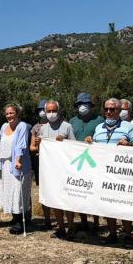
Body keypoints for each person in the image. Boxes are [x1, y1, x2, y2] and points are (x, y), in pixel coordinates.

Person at [86, 98, 133, 246]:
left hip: (122, 174)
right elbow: (94, 148)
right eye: (106, 109)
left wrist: (129, 144)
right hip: (103, 174)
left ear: (119, 111)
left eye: (112, 109)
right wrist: (90, 141)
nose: (109, 112)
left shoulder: (128, 127)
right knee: (108, 204)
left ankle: (128, 235)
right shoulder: (98, 128)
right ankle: (112, 233)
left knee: (124, 204)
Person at [30, 100, 76, 239]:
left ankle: (71, 228)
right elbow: (38, 149)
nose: (51, 114)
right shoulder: (43, 129)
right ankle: (61, 228)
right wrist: (38, 144)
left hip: (64, 169)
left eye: (53, 110)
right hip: (49, 170)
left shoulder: (67, 126)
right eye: (48, 111)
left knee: (67, 199)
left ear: (59, 110)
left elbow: (75, 147)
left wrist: (65, 142)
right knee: (55, 199)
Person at [0, 104, 32, 235]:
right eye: (7, 113)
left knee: (18, 190)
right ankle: (14, 217)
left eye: (12, 113)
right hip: (5, 163)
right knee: (9, 190)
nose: (9, 116)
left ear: (17, 113)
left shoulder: (22, 126)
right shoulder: (4, 126)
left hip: (17, 163)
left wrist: (18, 160)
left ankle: (20, 220)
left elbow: (21, 145)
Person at [70, 92, 103, 232]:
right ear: (77, 106)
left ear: (91, 106)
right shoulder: (72, 121)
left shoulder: (99, 120)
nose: (83, 107)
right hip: (77, 162)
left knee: (94, 191)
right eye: (80, 104)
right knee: (79, 191)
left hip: (94, 161)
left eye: (86, 104)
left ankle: (96, 222)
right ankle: (83, 221)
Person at [30, 99, 52, 229]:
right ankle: (47, 220)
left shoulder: (59, 125)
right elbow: (31, 148)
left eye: (44, 110)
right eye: (40, 110)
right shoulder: (35, 128)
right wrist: (39, 144)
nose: (43, 112)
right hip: (40, 161)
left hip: (55, 162)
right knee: (44, 191)